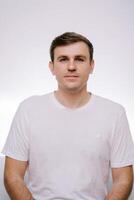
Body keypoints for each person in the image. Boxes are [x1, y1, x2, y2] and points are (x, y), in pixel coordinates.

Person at [2, 32, 134, 200]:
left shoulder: (114, 113)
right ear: (52, 67)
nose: (71, 67)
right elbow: (12, 176)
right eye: (63, 59)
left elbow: (123, 179)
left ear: (92, 65)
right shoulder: (28, 109)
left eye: (79, 59)